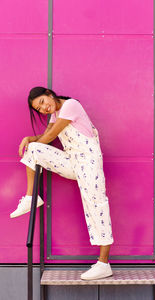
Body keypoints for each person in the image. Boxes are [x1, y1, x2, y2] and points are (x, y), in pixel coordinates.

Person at [10, 87, 114, 280]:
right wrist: (30, 139)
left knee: (96, 206)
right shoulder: (55, 114)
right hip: (72, 161)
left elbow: (50, 136)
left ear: (50, 94)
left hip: (89, 162)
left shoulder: (71, 105)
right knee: (33, 149)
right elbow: (44, 140)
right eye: (39, 109)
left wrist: (36, 139)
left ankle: (103, 263)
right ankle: (31, 197)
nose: (43, 109)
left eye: (42, 102)